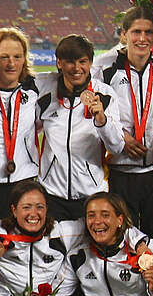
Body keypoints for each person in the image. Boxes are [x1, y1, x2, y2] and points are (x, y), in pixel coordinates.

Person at [94, 6, 153, 249]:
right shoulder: (107, 72)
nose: (142, 38)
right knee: (121, 238)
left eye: (148, 32)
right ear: (123, 34)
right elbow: (97, 113)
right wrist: (122, 136)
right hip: (122, 171)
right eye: (136, 32)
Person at [35, 35, 126, 221]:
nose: (77, 68)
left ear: (91, 62)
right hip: (52, 195)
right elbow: (29, 133)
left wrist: (101, 120)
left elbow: (117, 147)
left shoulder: (105, 95)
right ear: (59, 63)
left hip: (91, 195)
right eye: (70, 62)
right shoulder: (45, 94)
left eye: (82, 61)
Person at [0, 28, 41, 217]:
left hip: (25, 182)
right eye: (4, 57)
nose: (11, 63)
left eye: (17, 57)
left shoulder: (36, 90)